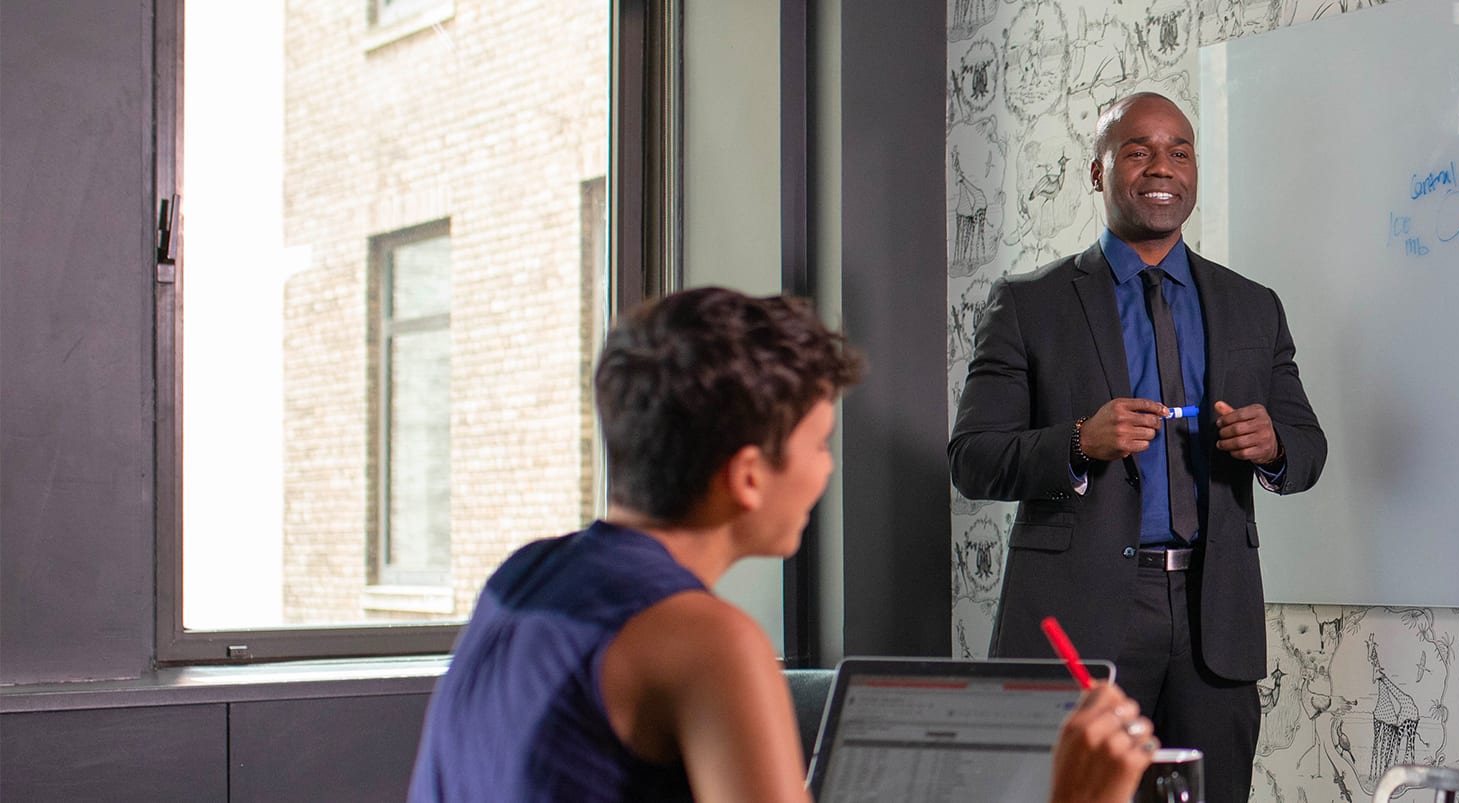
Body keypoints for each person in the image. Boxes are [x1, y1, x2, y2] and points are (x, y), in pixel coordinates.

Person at [409, 288, 1157, 802]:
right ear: (747, 477)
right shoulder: (706, 640)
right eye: (819, 444)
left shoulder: (522, 573)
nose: (827, 469)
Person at [949, 91, 1327, 803]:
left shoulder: (1253, 304)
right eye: (1139, 150)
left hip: (1214, 616)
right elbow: (973, 456)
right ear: (1099, 173)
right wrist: (1077, 442)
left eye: (1180, 151)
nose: (1163, 166)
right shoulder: (1029, 303)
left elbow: (1306, 447)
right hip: (1083, 614)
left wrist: (1272, 444)